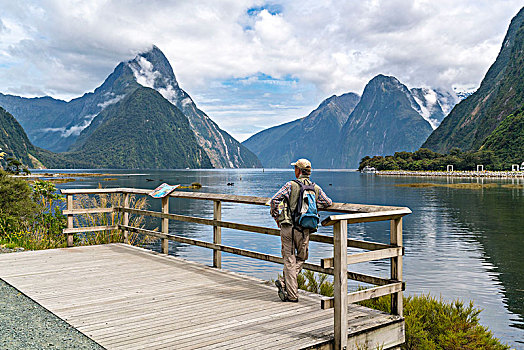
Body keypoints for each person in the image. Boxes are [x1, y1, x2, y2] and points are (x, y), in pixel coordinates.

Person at [270, 158, 332, 302]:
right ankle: (287, 284)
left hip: (288, 228)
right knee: (302, 258)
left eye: (295, 168)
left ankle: (290, 292)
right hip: (305, 229)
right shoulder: (315, 188)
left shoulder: (290, 185)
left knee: (290, 259)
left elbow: (274, 201)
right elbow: (328, 203)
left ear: (298, 171)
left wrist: (277, 217)